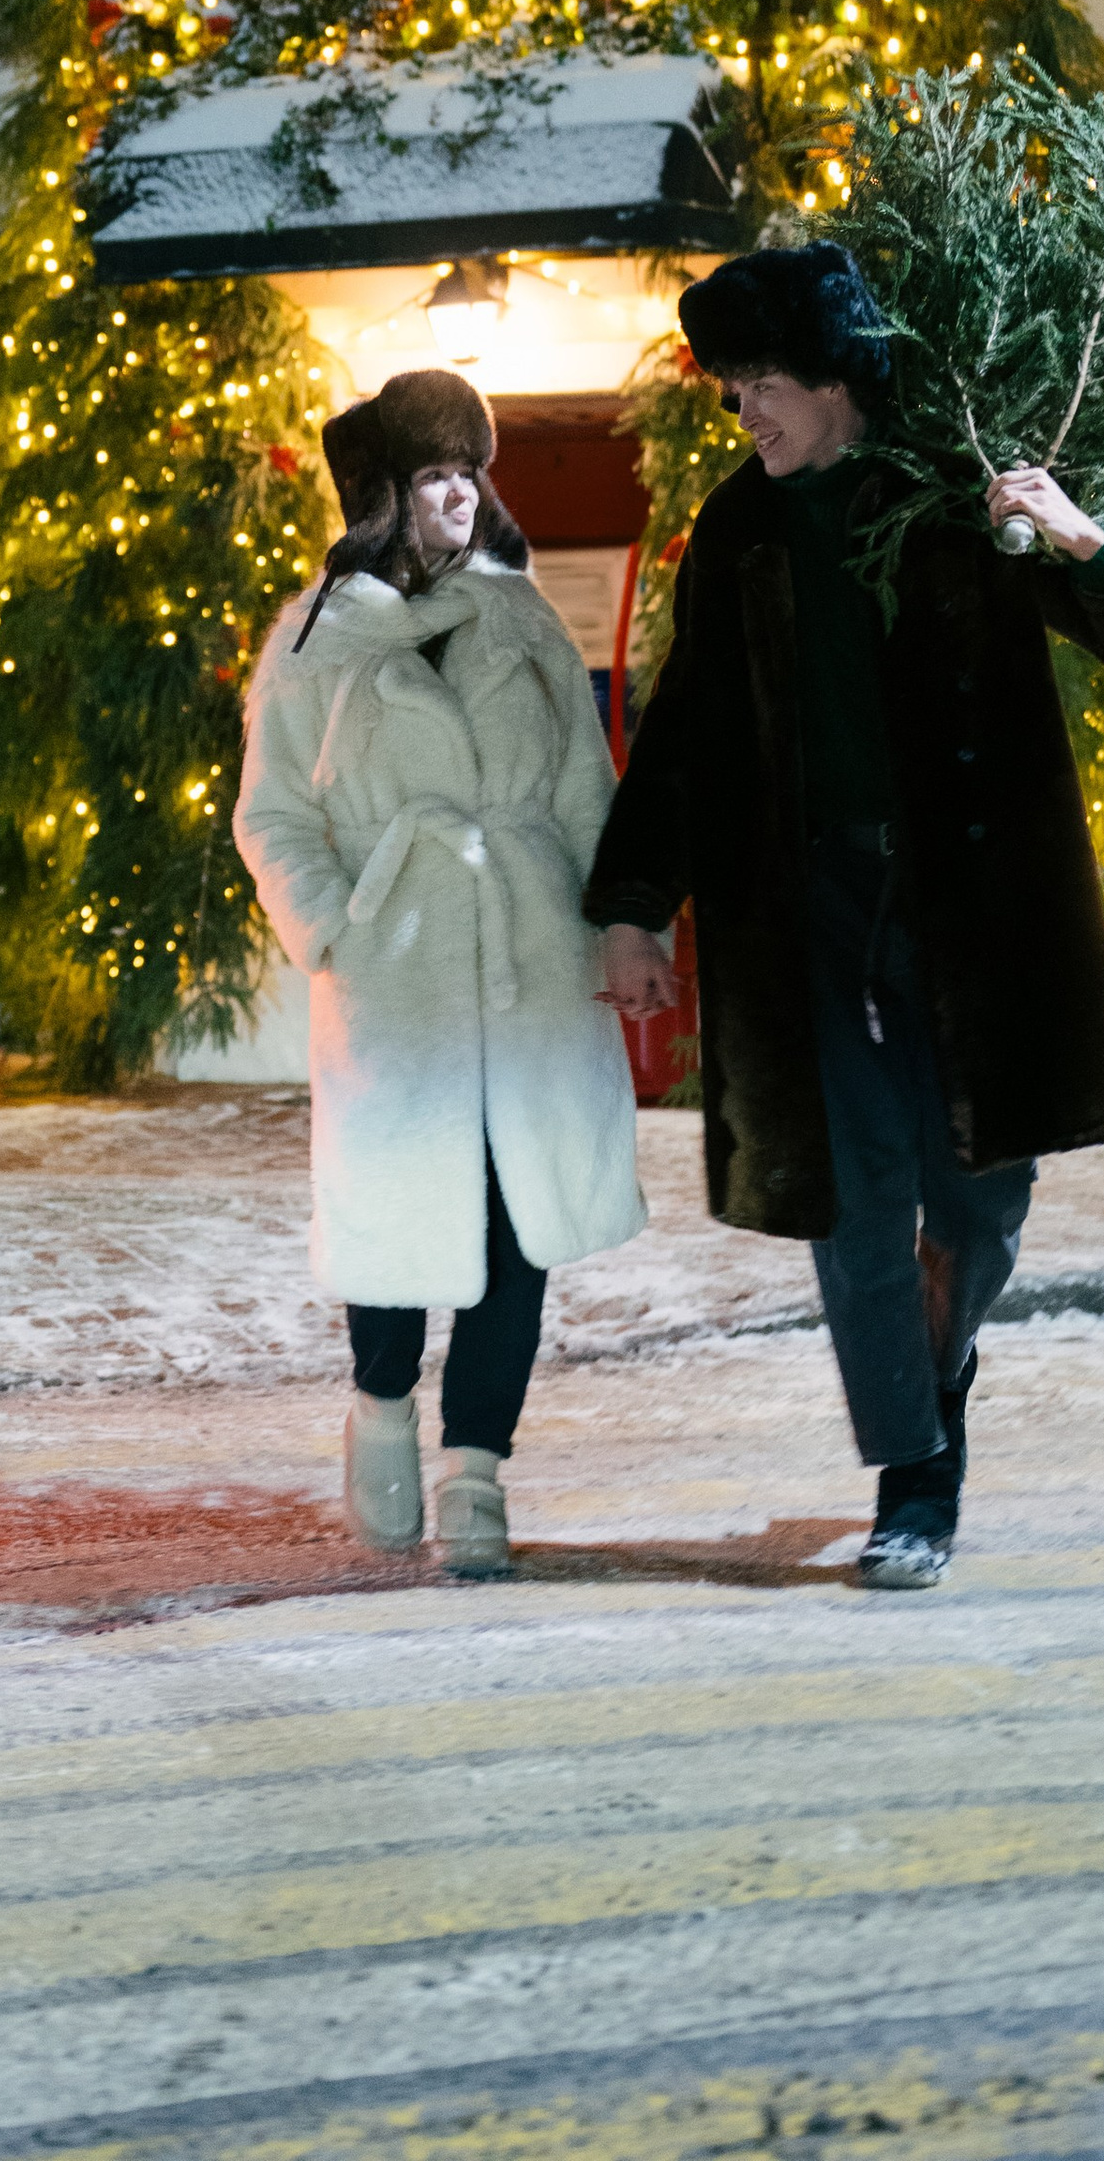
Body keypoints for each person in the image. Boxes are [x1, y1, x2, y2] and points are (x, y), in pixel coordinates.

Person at [585, 243, 1104, 1590]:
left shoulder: (956, 500)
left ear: (835, 377)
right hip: (807, 915)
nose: (745, 413)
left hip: (970, 906)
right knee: (855, 1207)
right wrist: (632, 906)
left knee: (978, 1208)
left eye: (762, 383)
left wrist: (1094, 543)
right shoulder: (743, 527)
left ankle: (944, 1353)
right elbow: (685, 729)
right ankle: (915, 1479)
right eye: (733, 388)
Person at [236, 368, 645, 1573]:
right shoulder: (316, 641)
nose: (459, 493)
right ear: (384, 494)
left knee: (518, 1226)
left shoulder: (523, 619)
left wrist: (619, 931)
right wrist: (333, 927)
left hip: (527, 956)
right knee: (399, 1224)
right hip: (396, 974)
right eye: (432, 474)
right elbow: (271, 816)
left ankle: (478, 1475)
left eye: (470, 469)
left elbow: (585, 790)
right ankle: (379, 1412)